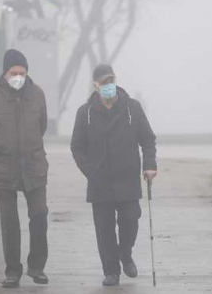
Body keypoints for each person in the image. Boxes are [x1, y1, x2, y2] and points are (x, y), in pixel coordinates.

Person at [70, 63, 157, 287]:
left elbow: (147, 139)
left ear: (115, 80)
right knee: (104, 229)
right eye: (103, 82)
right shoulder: (85, 113)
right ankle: (111, 271)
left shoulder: (132, 108)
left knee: (130, 220)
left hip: (127, 179)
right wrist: (89, 171)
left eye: (111, 80)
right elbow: (76, 146)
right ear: (96, 86)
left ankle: (125, 253)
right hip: (100, 182)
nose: (108, 85)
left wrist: (149, 165)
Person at [0, 48, 50, 288]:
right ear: (5, 73)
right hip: (3, 169)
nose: (19, 76)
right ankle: (12, 271)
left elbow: (42, 126)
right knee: (9, 222)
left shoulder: (37, 95)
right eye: (14, 72)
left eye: (22, 72)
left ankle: (37, 267)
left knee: (39, 215)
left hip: (34, 166)